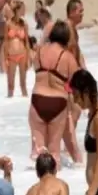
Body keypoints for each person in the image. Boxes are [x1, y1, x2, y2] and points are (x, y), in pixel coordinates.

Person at [28, 20, 79, 164]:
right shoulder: (67, 57)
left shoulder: (39, 52)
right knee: (54, 152)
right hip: (58, 102)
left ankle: (36, 178)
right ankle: (55, 178)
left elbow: (35, 68)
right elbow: (76, 82)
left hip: (38, 99)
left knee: (38, 152)